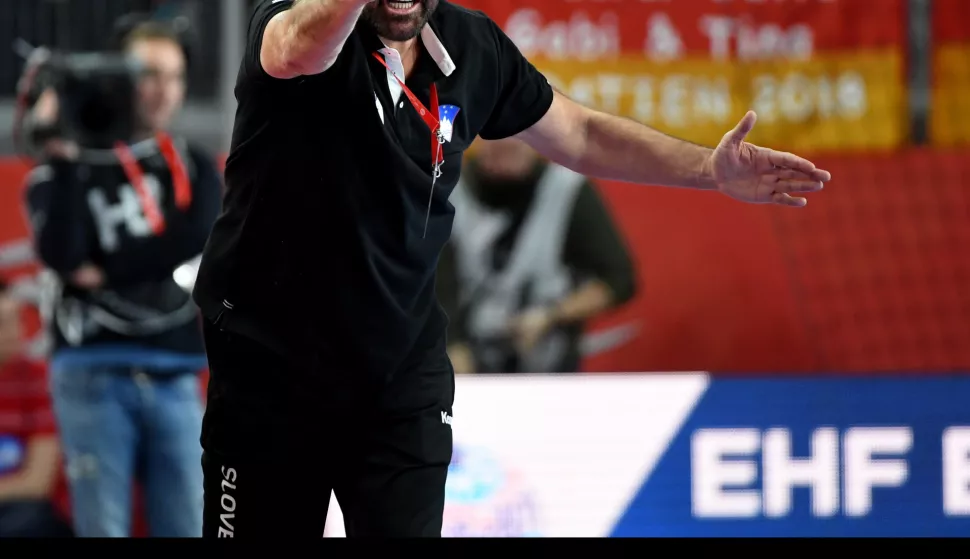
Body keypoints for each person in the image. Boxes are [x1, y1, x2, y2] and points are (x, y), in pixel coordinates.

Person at [192, 0, 831, 538]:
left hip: (398, 381)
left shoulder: (471, 48)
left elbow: (577, 134)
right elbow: (297, 49)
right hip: (269, 372)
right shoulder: (290, 23)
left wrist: (708, 171)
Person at [22, 21, 222, 537]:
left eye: (175, 77)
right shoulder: (70, 162)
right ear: (114, 75)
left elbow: (199, 238)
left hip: (176, 370)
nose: (163, 90)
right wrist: (63, 155)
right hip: (92, 367)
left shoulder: (194, 166)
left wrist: (106, 268)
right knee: (102, 529)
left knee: (186, 526)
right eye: (148, 74)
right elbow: (64, 255)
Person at [437, 137, 636, 374]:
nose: (507, 142)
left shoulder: (566, 191)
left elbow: (619, 279)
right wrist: (451, 345)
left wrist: (551, 315)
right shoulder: (444, 190)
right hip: (462, 364)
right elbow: (429, 284)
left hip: (547, 368)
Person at [0, 279, 73, 538]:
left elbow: (37, 481)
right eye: (2, 323)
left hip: (32, 511)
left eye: (17, 319)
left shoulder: (40, 379)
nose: (14, 332)